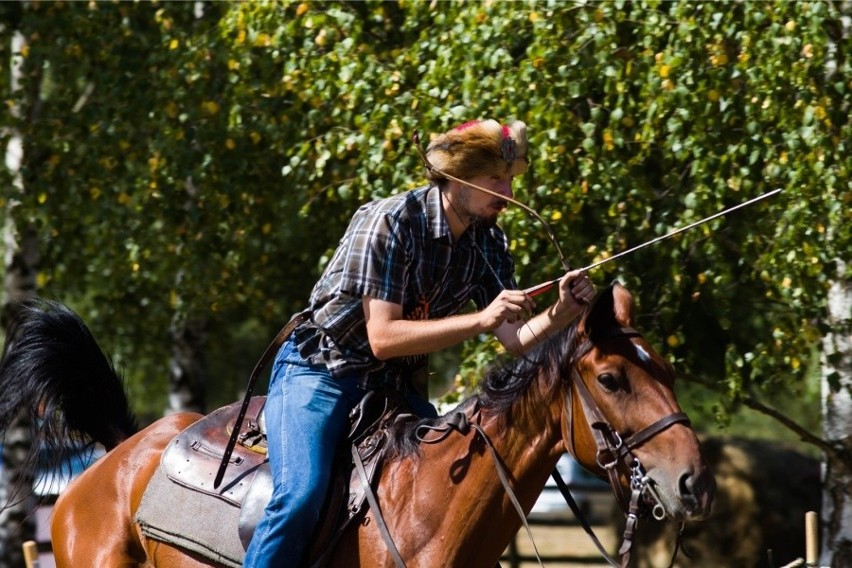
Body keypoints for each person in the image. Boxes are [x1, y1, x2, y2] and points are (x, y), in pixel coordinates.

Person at [243, 118, 596, 567]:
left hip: (393, 389)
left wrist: (562, 311)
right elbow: (383, 338)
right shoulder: (389, 222)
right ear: (456, 178)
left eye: (510, 179)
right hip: (320, 371)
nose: (509, 193)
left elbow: (516, 339)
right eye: (496, 180)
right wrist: (481, 319)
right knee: (301, 495)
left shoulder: (488, 242)